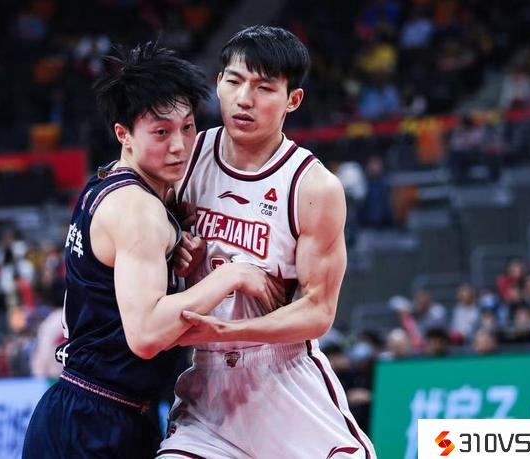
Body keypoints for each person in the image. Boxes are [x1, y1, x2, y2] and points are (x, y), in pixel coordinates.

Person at [22, 42, 278, 459]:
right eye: (161, 132)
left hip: (89, 408)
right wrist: (230, 276)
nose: (179, 145)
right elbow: (145, 335)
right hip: (98, 421)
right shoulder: (138, 209)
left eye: (187, 127)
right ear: (123, 134)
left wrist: (175, 258)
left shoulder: (108, 182)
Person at [158, 26, 377, 459]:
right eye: (235, 81)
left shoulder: (313, 187)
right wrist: (170, 246)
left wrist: (230, 331)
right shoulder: (184, 159)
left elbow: (318, 311)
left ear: (293, 100)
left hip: (284, 378)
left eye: (264, 88)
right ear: (218, 83)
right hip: (208, 388)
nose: (244, 99)